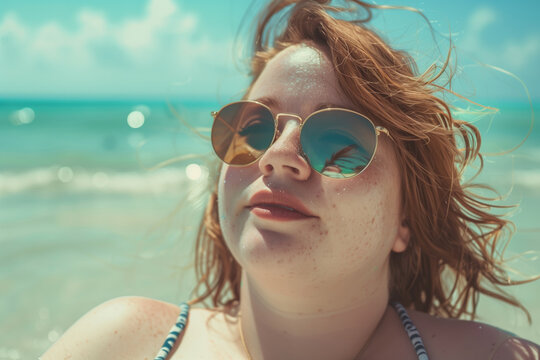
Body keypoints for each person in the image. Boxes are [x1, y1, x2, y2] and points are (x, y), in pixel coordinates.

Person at [41, 0, 539, 359]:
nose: (277, 158)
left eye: (338, 140)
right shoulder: (121, 343)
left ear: (405, 217)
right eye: (251, 127)